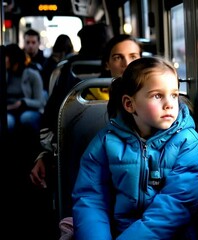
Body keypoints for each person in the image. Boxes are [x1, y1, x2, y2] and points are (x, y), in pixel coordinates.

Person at [72, 56, 198, 239]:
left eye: (174, 95)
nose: (169, 104)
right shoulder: (105, 142)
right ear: (129, 104)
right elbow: (91, 198)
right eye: (157, 96)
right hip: (118, 231)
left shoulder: (187, 142)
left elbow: (177, 204)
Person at [30, 34, 143, 189]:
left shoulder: (152, 101)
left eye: (133, 56)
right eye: (118, 57)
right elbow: (63, 138)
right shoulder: (84, 98)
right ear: (107, 64)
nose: (127, 64)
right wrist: (46, 156)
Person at [3, 43, 45, 141]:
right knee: (8, 121)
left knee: (26, 118)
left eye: (6, 57)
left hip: (28, 109)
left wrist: (22, 102)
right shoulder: (5, 74)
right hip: (9, 110)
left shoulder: (32, 75)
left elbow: (40, 102)